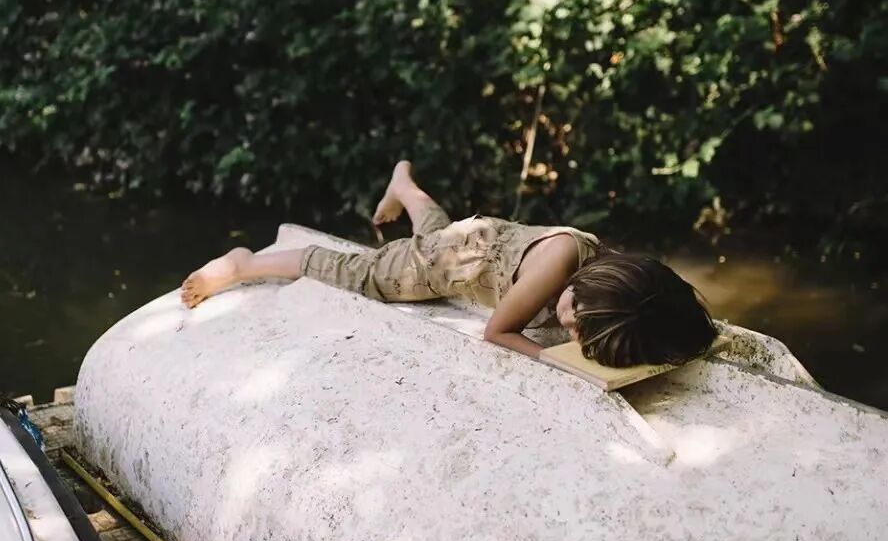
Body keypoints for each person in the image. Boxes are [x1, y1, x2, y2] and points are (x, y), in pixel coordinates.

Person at [180, 160, 716, 368]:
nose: (570, 326)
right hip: (459, 262)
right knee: (368, 274)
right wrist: (558, 361)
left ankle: (404, 185)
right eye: (577, 318)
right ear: (587, 284)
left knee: (436, 237)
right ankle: (245, 264)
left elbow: (661, 308)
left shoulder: (615, 283)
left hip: (480, 242)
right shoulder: (557, 271)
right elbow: (497, 331)